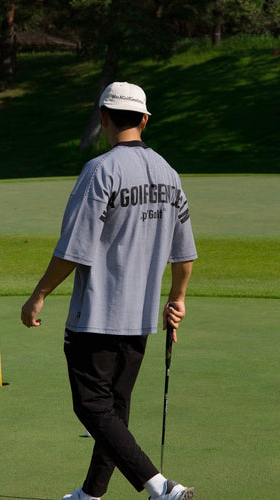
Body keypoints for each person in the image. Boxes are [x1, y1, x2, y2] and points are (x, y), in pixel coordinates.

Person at [21, 82, 197, 500]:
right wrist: (178, 298)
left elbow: (73, 249)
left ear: (103, 118)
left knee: (92, 408)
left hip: (96, 315)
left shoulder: (101, 170)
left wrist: (39, 294)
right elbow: (184, 255)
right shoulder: (170, 175)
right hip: (139, 320)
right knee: (114, 411)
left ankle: (161, 488)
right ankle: (91, 494)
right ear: (145, 119)